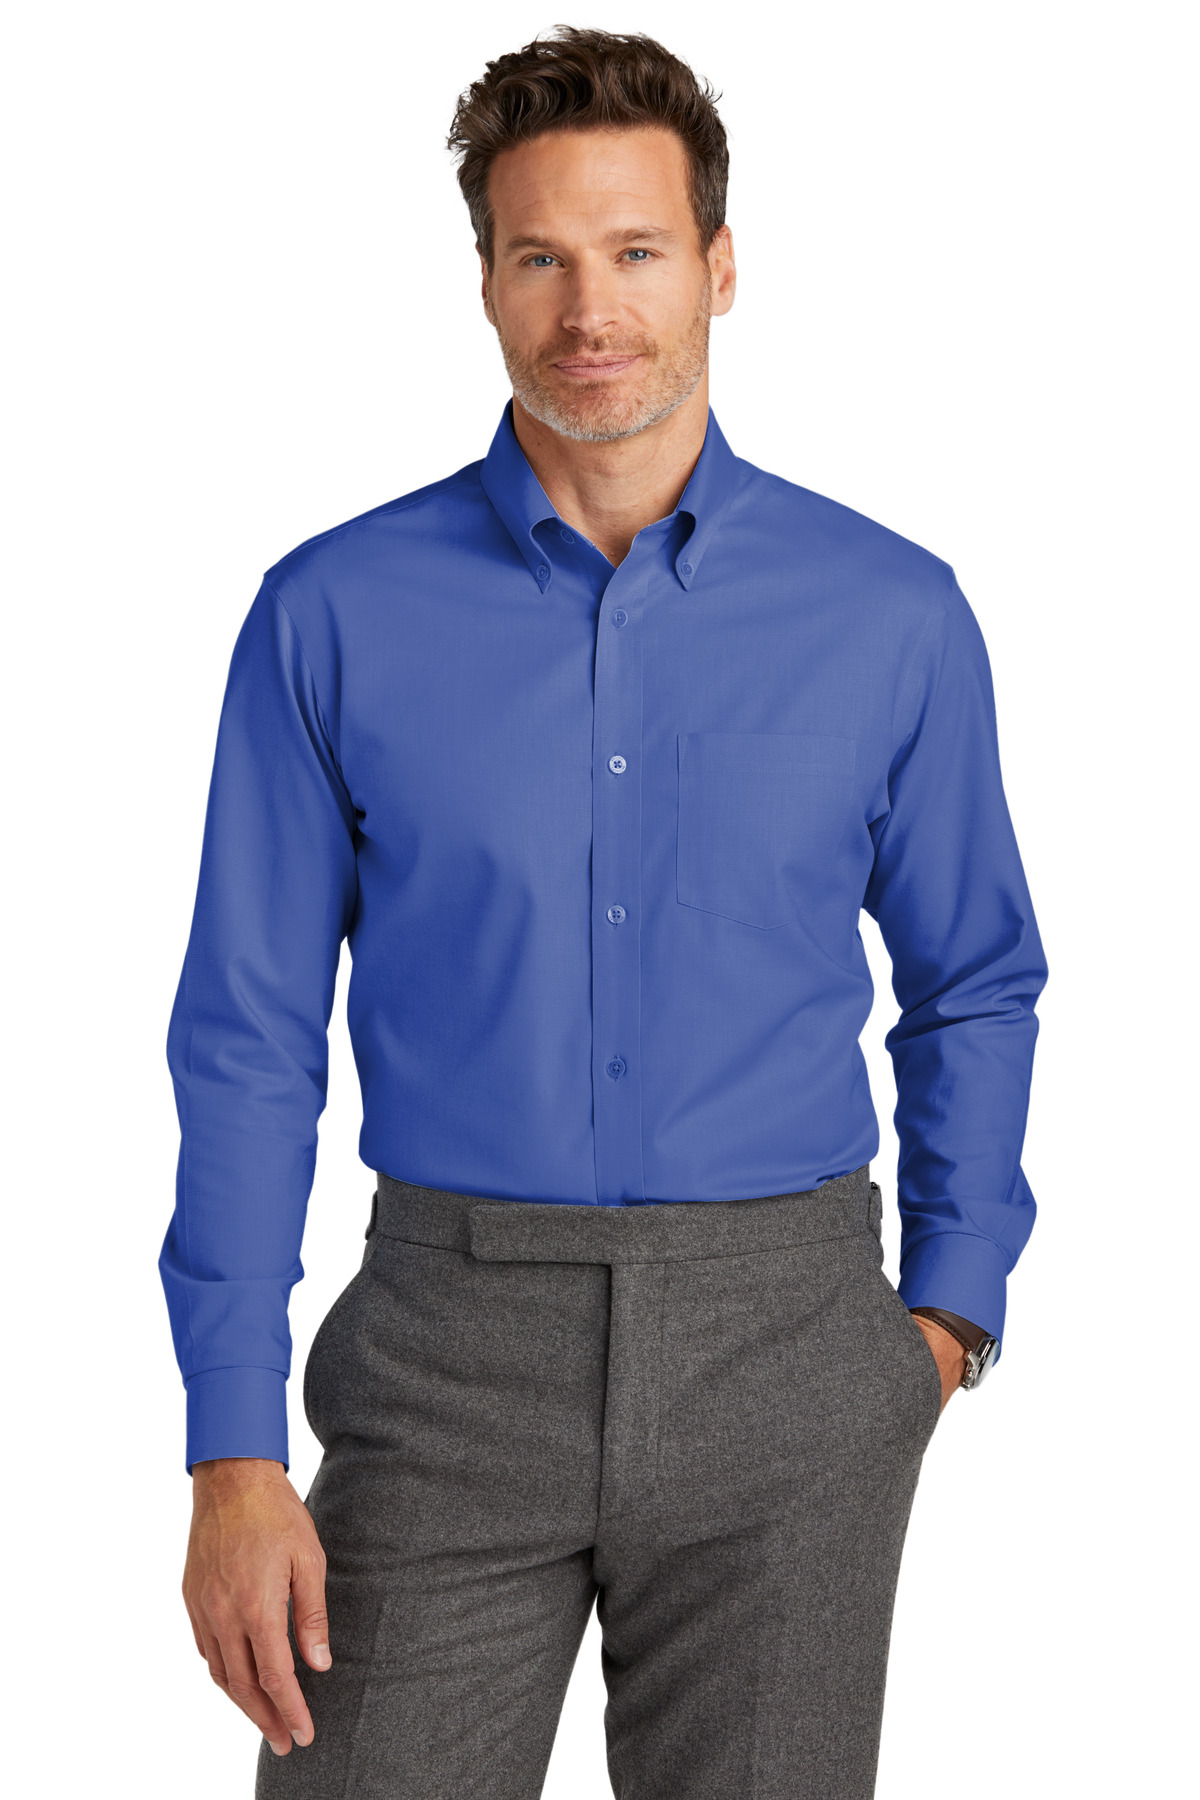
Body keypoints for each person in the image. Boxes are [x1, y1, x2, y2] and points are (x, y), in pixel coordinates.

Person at [160, 26, 1048, 1799]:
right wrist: (230, 1444)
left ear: (718, 265)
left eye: (636, 250)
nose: (590, 309)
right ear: (485, 280)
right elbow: (248, 1038)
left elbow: (974, 981)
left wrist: (943, 1317)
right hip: (444, 1353)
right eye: (539, 257)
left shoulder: (893, 615)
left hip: (792, 1353)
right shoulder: (330, 614)